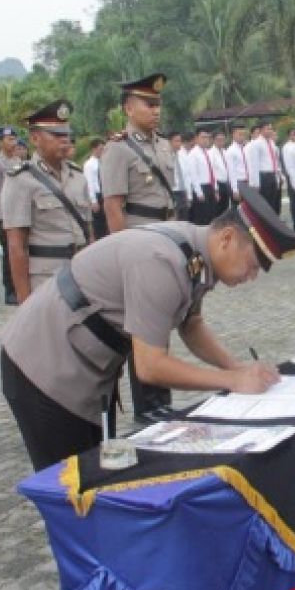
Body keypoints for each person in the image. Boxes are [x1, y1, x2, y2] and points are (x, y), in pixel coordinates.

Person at [0, 189, 295, 471]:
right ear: (227, 238)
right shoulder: (162, 260)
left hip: (82, 364)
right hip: (44, 366)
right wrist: (232, 380)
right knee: (71, 487)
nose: (251, 276)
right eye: (252, 264)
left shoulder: (197, 255)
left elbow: (192, 323)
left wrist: (237, 366)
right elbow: (150, 367)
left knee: (90, 477)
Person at [99, 73, 179, 424]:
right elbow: (113, 207)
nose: (155, 110)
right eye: (148, 104)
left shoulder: (163, 145)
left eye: (158, 104)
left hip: (164, 240)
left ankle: (163, 399)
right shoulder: (118, 149)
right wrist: (124, 252)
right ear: (128, 108)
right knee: (141, 328)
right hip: (138, 243)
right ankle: (147, 407)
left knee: (162, 321)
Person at [3, 100, 93, 303]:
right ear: (35, 138)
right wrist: (25, 301)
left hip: (81, 274)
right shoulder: (21, 180)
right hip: (46, 279)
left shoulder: (78, 177)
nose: (64, 140)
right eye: (56, 135)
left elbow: (88, 232)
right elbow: (16, 246)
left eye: (66, 134)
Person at [0, 126, 22, 305]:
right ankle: (9, 289)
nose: (13, 142)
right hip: (7, 217)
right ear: (0, 142)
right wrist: (2, 218)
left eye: (14, 138)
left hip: (20, 214)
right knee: (9, 254)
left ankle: (19, 286)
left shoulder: (18, 160)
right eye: (8, 139)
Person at [246, 121, 284, 216]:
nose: (270, 131)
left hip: (273, 175)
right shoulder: (256, 144)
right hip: (264, 176)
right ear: (261, 130)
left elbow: (275, 161)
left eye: (271, 128)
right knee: (266, 204)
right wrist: (255, 183)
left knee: (274, 203)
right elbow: (254, 164)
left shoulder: (271, 143)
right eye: (268, 128)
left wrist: (279, 176)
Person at [185, 128, 219, 225]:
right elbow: (193, 174)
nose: (205, 140)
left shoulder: (208, 152)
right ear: (196, 138)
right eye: (203, 137)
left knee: (212, 215)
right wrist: (199, 192)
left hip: (210, 186)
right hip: (201, 188)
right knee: (202, 216)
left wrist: (215, 189)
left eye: (207, 138)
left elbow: (212, 172)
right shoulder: (193, 154)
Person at [83, 137, 107, 238]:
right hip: (97, 195)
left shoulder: (104, 161)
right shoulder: (89, 164)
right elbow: (89, 183)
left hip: (106, 193)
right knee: (99, 223)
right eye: (100, 149)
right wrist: (93, 200)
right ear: (94, 149)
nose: (102, 151)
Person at [225, 125, 252, 202]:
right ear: (233, 135)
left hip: (248, 182)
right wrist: (235, 189)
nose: (242, 136)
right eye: (239, 134)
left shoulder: (246, 149)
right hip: (239, 183)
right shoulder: (230, 151)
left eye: (243, 134)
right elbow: (231, 172)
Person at [211, 131, 233, 215]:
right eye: (218, 140)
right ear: (214, 140)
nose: (221, 142)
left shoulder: (225, 152)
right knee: (218, 209)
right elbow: (212, 172)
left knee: (226, 207)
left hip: (226, 183)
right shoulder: (211, 153)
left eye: (223, 140)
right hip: (218, 184)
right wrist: (215, 189)